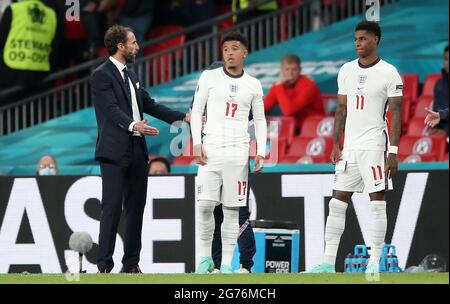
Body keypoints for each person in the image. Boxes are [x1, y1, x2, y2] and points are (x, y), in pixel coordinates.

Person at [91, 25, 188, 273]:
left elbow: (149, 104)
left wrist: (182, 117)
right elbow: (111, 110)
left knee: (136, 209)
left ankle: (131, 264)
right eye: (133, 42)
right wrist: (134, 124)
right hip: (114, 150)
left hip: (136, 149)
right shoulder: (101, 75)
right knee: (111, 207)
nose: (137, 46)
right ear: (120, 46)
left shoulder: (132, 76)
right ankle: (103, 266)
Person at [308, 21, 403, 274]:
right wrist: (336, 144)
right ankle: (328, 263)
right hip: (349, 147)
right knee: (337, 201)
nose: (358, 43)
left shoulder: (389, 72)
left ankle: (374, 263)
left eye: (363, 38)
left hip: (374, 145)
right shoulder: (346, 70)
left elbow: (396, 112)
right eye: (355, 39)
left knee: (376, 202)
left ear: (376, 40)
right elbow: (341, 109)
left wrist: (392, 152)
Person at [191, 31, 267, 274]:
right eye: (225, 49)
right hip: (210, 150)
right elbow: (195, 111)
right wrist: (195, 142)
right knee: (204, 206)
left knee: (232, 210)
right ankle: (205, 260)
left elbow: (261, 120)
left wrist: (261, 151)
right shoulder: (209, 77)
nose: (229, 53)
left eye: (235, 48)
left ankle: (225, 265)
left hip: (238, 154)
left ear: (244, 52)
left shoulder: (253, 84)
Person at [0, 0, 59, 93]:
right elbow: (56, 45)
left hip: (9, 75)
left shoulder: (14, 9)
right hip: (40, 76)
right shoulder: (52, 14)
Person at [264, 54, 324, 131]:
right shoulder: (279, 86)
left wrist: (279, 86)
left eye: (294, 70)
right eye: (287, 69)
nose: (290, 73)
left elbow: (288, 111)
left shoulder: (308, 86)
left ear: (300, 70)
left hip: (313, 128)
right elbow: (264, 106)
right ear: (282, 71)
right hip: (292, 128)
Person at [430, 45, 449, 136]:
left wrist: (446, 131)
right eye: (446, 59)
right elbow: (436, 111)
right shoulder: (438, 84)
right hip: (440, 129)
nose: (448, 63)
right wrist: (434, 127)